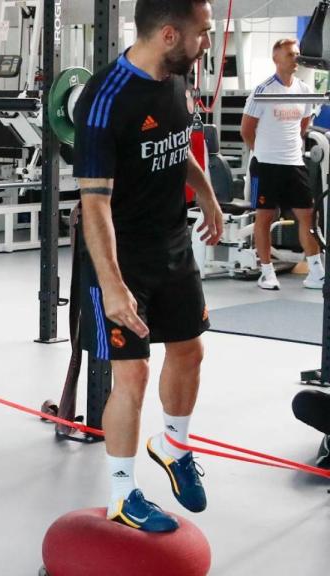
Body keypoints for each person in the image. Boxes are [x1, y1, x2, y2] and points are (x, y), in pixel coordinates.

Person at [73, 0, 222, 532]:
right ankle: (121, 493)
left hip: (172, 243)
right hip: (119, 256)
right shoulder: (105, 100)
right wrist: (112, 287)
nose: (206, 42)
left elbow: (176, 142)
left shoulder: (175, 77)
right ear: (167, 34)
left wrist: (206, 195)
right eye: (201, 34)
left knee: (190, 349)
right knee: (131, 372)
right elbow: (93, 203)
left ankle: (173, 446)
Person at [241, 38, 323, 291]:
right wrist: (265, 151)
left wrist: (289, 149)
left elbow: (303, 125)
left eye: (297, 54)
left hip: (294, 164)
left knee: (308, 217)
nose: (295, 58)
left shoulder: (305, 90)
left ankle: (316, 272)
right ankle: (266, 273)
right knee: (265, 218)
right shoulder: (263, 90)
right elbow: (246, 131)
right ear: (276, 59)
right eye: (290, 54)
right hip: (266, 165)